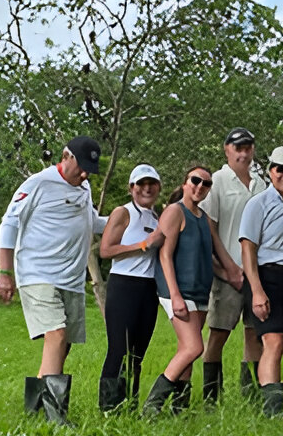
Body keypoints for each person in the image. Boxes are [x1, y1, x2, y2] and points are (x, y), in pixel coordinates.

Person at [0, 135, 107, 424]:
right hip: (38, 273)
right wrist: (4, 273)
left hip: (71, 279)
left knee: (62, 344)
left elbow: (91, 222)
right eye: (80, 167)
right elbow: (9, 223)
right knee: (56, 335)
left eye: (89, 171)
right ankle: (55, 417)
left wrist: (127, 219)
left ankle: (34, 409)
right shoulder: (39, 184)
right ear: (65, 156)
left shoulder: (84, 187)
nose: (84, 174)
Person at [239, 145, 283, 416]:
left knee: (279, 343)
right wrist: (256, 291)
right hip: (266, 277)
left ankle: (262, 397)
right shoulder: (258, 204)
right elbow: (247, 248)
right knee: (274, 341)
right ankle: (272, 409)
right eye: (280, 169)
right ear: (271, 171)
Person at [201, 127, 267, 406]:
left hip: (257, 273)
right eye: (237, 147)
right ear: (226, 150)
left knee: (254, 333)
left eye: (248, 147)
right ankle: (211, 397)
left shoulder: (262, 182)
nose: (243, 152)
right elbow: (210, 228)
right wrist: (227, 268)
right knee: (219, 333)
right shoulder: (217, 181)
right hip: (226, 272)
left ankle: (250, 396)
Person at [143, 166, 215, 415]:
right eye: (195, 180)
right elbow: (165, 254)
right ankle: (152, 406)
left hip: (200, 291)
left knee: (187, 350)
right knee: (194, 347)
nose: (200, 187)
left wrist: (237, 275)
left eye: (206, 184)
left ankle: (179, 409)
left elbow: (216, 255)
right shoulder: (175, 212)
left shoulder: (203, 218)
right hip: (178, 290)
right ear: (185, 183)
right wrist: (174, 295)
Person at [97, 163, 165, 412]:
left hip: (149, 289)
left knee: (138, 353)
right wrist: (144, 244)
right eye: (141, 184)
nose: (147, 189)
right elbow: (106, 250)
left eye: (152, 184)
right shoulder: (123, 212)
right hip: (123, 284)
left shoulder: (158, 217)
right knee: (119, 349)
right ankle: (109, 408)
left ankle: (130, 406)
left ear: (158, 187)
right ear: (131, 188)